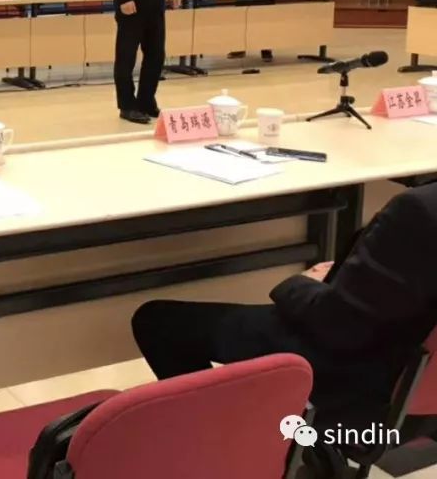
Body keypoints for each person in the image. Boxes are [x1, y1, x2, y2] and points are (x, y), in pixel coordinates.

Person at [131, 182, 437, 432]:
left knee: (157, 322)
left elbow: (338, 327)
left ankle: (221, 441)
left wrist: (300, 282)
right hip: (414, 381)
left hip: (354, 370)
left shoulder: (418, 208)